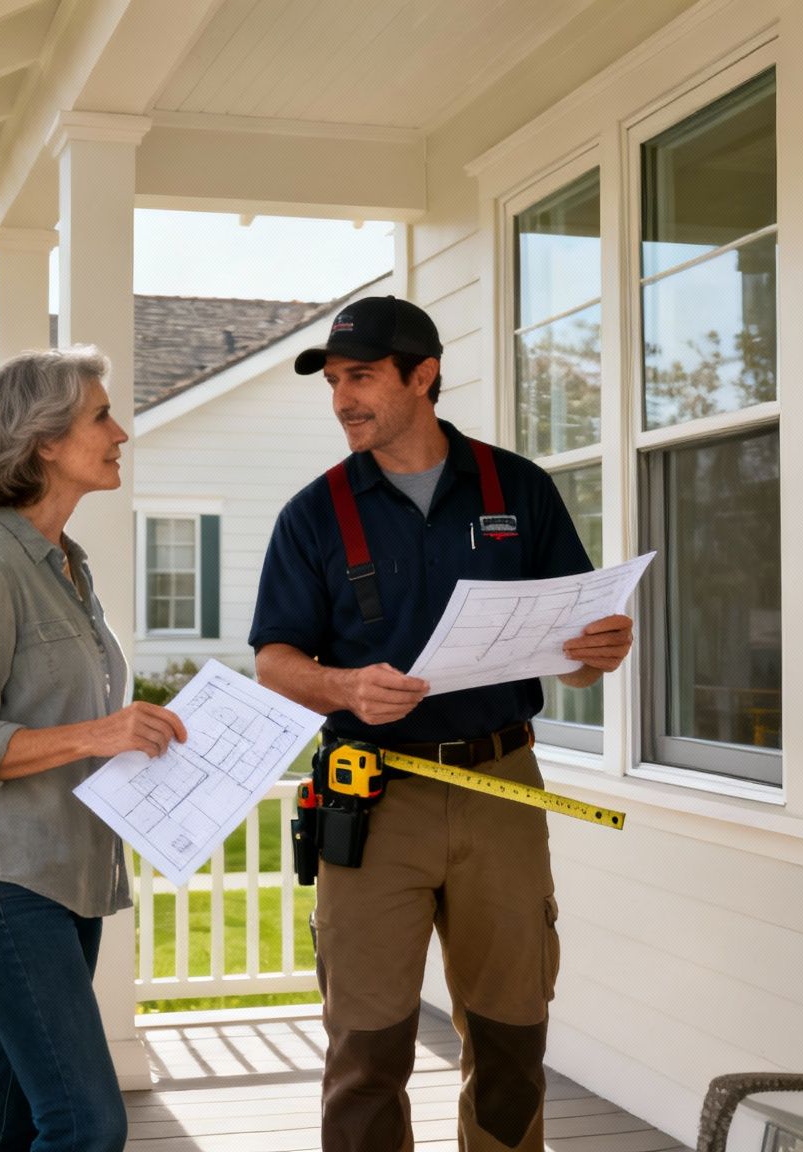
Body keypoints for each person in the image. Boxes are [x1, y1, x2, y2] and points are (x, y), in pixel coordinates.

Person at [249, 296, 634, 1152]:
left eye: (363, 377)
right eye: (336, 382)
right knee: (366, 1050)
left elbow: (568, 651)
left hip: (501, 785)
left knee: (510, 1040)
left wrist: (594, 649)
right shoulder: (313, 515)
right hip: (372, 797)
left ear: (423, 376)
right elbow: (274, 662)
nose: (344, 398)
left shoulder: (517, 490)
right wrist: (345, 687)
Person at [0, 346, 189, 1152]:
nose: (121, 431)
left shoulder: (67, 565)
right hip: (8, 882)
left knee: (5, 1124)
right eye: (100, 415)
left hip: (69, 876)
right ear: (43, 441)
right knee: (87, 1124)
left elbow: (71, 719)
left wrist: (139, 739)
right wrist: (103, 732)